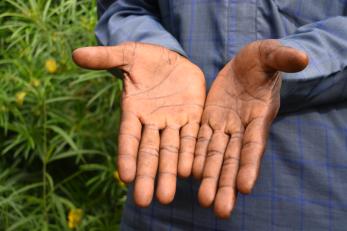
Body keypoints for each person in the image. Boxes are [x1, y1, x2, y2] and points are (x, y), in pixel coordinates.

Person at [73, 0, 347, 230]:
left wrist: (302, 59)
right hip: (160, 198)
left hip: (309, 195)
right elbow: (124, 7)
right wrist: (155, 48)